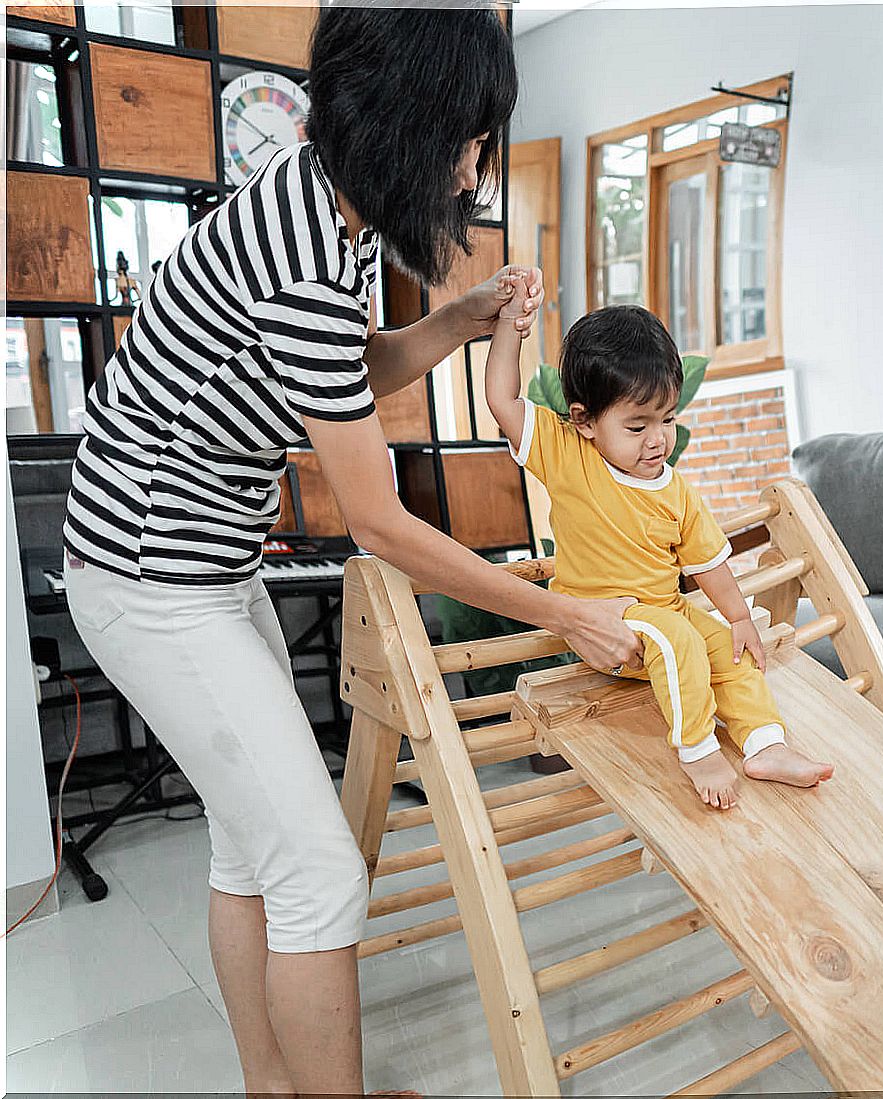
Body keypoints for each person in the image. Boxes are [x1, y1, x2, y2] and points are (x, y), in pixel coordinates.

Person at [60, 9, 640, 1095]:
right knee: (322, 873)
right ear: (414, 127)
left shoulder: (328, 204)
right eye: (470, 138)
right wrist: (559, 610)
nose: (474, 166)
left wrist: (463, 317)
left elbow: (343, 373)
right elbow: (376, 520)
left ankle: (273, 1086)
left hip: (199, 561)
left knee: (254, 851)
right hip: (148, 576)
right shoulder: (302, 257)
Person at [483, 294, 833, 808]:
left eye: (667, 420)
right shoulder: (563, 452)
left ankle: (766, 745)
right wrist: (511, 327)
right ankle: (697, 750)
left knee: (728, 652)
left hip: (662, 612)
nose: (657, 441)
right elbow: (500, 399)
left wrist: (738, 618)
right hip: (604, 623)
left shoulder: (675, 491)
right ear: (584, 421)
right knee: (680, 641)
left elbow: (707, 562)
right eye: (637, 426)